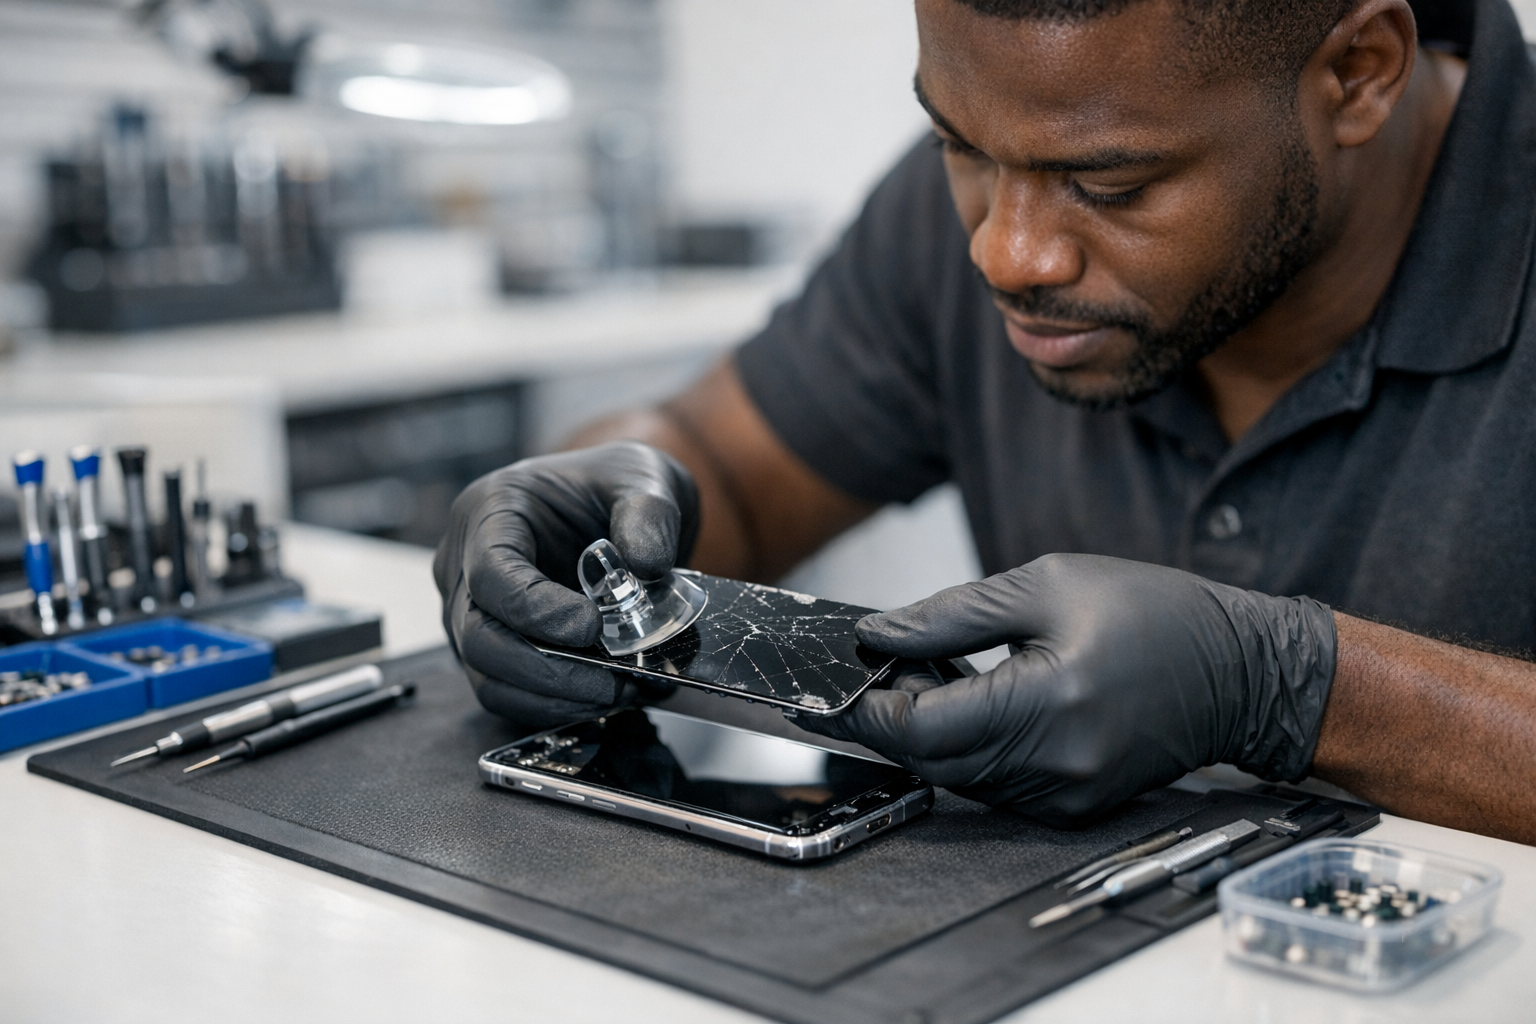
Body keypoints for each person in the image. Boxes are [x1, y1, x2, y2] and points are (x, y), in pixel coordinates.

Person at [435, 0, 1536, 845]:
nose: (1006, 255)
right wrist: (595, 497)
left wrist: (1290, 685)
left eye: (1110, 185)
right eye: (958, 144)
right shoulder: (982, 190)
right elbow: (729, 459)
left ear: (1356, 74)